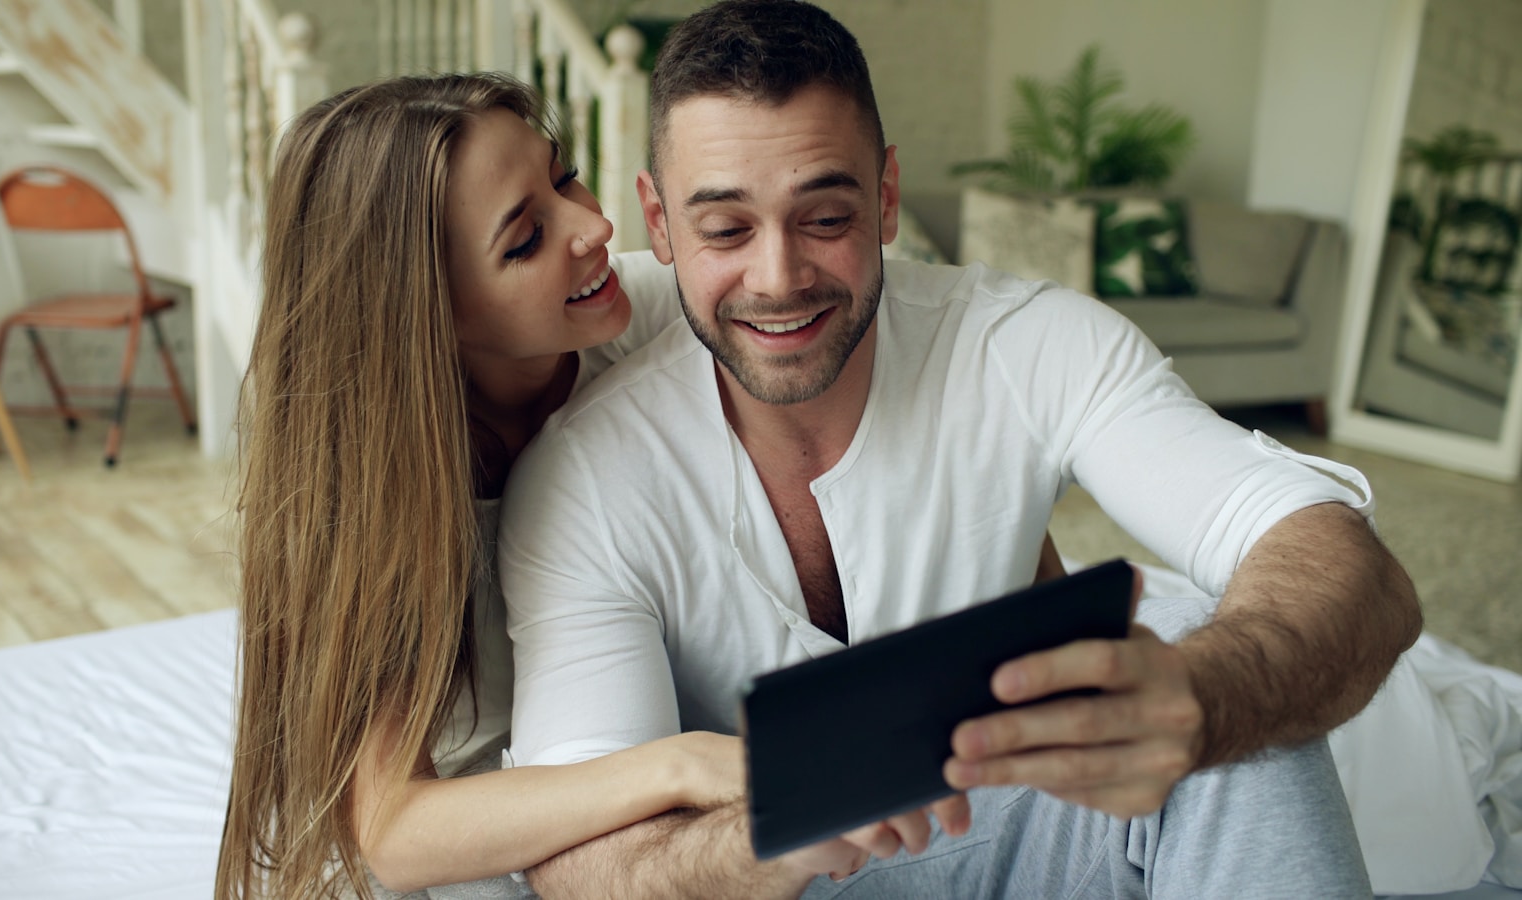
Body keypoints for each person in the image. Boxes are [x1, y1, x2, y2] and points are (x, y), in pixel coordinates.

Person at [499, 1, 1423, 897]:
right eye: (726, 229)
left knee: (1221, 687)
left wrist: (1202, 699)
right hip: (768, 879)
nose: (777, 280)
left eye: (826, 218)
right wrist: (775, 830)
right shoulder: (583, 473)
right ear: (658, 225)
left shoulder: (1031, 343)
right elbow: (580, 861)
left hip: (1027, 831)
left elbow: (1342, 563)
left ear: (888, 197)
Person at [213, 72, 749, 899]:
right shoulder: (372, 490)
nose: (596, 225)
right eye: (526, 239)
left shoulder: (664, 323)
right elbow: (392, 829)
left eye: (563, 175)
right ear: (426, 308)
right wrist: (673, 767)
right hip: (475, 850)